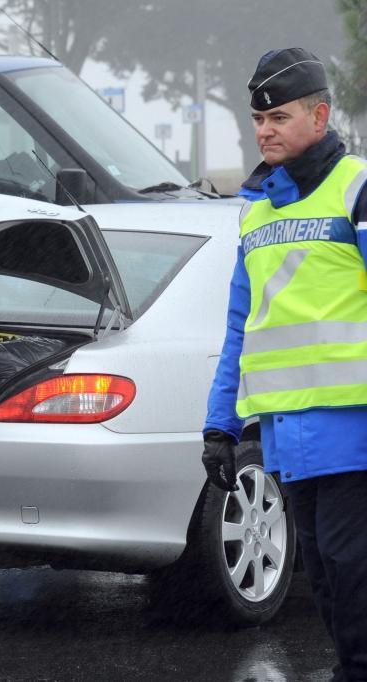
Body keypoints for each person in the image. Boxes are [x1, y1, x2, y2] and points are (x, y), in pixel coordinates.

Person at [202, 48, 367, 681]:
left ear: (321, 115)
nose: (265, 129)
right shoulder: (255, 212)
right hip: (286, 437)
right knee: (324, 579)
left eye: (279, 116)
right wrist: (219, 426)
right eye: (258, 119)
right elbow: (240, 328)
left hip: (354, 430)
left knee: (354, 574)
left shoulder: (356, 187)